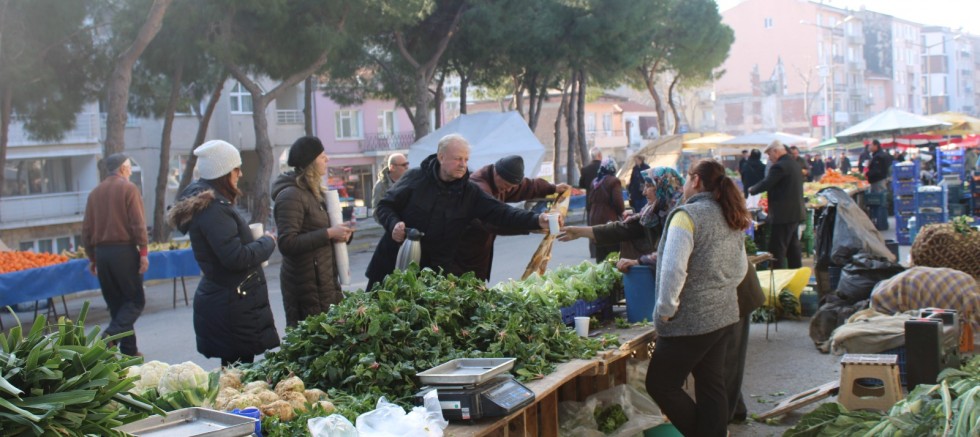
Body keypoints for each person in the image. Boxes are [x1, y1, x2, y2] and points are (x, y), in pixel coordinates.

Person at [366, 134, 552, 290]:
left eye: (466, 159)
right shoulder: (415, 178)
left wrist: (537, 220)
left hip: (430, 278)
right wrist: (393, 224)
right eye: (457, 159)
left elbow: (501, 213)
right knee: (374, 316)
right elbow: (384, 206)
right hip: (392, 265)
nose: (463, 164)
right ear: (441, 157)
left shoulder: (470, 192)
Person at [646, 159, 750, 437]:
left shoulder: (686, 216)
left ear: (696, 180)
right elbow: (741, 268)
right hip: (724, 314)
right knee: (710, 383)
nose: (683, 184)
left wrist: (665, 310)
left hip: (690, 320)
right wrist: (721, 290)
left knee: (660, 384)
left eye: (687, 177)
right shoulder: (729, 212)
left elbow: (673, 269)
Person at [168, 140, 279, 366]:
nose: (240, 174)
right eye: (236, 169)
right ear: (223, 173)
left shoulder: (212, 205)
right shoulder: (213, 209)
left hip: (230, 301)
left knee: (236, 372)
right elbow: (235, 257)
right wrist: (267, 242)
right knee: (237, 373)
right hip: (231, 306)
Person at [272, 136, 355, 327]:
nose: (327, 159)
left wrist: (342, 234)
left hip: (324, 283)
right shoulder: (291, 196)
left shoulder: (313, 192)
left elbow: (320, 230)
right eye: (322, 156)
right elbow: (286, 243)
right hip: (306, 288)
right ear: (310, 162)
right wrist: (329, 233)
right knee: (313, 339)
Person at [455, 155, 570, 281]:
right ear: (497, 173)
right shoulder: (478, 187)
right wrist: (533, 223)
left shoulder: (499, 180)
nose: (508, 189)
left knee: (477, 284)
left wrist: (553, 188)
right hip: (461, 253)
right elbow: (496, 220)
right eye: (506, 185)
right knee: (463, 285)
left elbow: (526, 186)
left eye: (511, 186)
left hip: (479, 253)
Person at [82, 153, 149, 357]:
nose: (130, 171)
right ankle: (109, 337)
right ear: (122, 169)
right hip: (124, 251)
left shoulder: (94, 193)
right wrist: (143, 252)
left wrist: (92, 258)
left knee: (117, 305)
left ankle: (129, 350)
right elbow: (138, 223)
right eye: (129, 167)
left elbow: (86, 231)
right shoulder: (128, 188)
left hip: (102, 254)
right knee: (135, 301)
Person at [559, 167, 685, 270]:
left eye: (648, 186)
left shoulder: (680, 217)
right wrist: (579, 232)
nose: (644, 192)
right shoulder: (652, 214)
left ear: (663, 187)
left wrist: (639, 262)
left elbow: (672, 254)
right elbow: (622, 229)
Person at [748, 141, 804, 269]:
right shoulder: (794, 163)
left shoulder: (779, 166)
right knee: (793, 247)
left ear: (775, 151)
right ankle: (796, 273)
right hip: (795, 212)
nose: (769, 158)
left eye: (769, 154)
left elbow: (767, 183)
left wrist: (752, 189)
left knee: (777, 249)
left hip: (783, 214)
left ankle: (778, 276)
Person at [588, 157, 626, 263]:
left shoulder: (595, 181)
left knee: (600, 250)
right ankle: (612, 270)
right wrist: (623, 213)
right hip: (608, 218)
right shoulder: (614, 181)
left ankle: (601, 270)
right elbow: (618, 201)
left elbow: (590, 200)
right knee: (612, 251)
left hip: (594, 218)